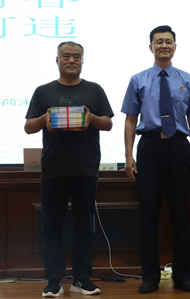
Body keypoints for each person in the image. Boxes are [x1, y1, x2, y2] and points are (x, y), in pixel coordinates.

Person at [24, 41, 114, 297]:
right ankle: (54, 280)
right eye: (66, 56)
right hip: (54, 168)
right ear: (57, 60)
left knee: (85, 226)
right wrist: (45, 119)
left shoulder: (94, 90)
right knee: (51, 226)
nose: (71, 60)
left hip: (85, 167)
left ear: (82, 61)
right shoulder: (43, 91)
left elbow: (107, 123)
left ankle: (81, 279)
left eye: (77, 56)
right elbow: (29, 127)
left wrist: (91, 118)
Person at [122, 25, 190, 294]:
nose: (164, 46)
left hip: (179, 147)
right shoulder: (138, 80)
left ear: (175, 47)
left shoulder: (187, 79)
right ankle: (150, 277)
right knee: (148, 214)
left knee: (180, 213)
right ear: (151, 47)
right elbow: (130, 119)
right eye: (159, 42)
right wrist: (128, 155)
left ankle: (183, 276)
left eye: (168, 41)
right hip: (149, 147)